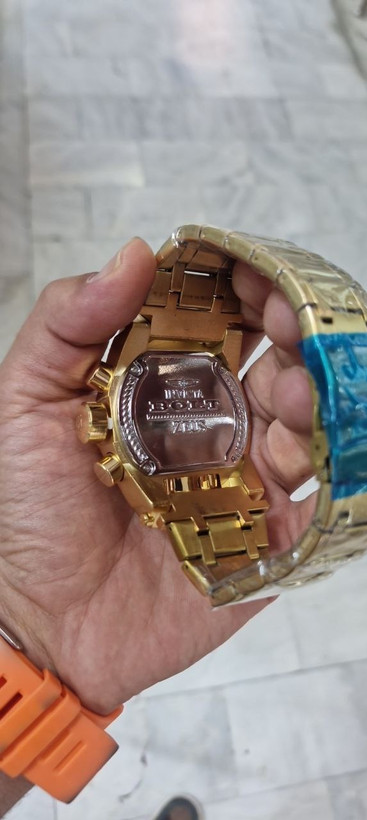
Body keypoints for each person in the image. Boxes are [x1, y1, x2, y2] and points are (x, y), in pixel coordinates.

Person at [0, 237, 315, 817]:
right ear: (103, 424)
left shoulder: (193, 368)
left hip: (214, 454)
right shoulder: (130, 406)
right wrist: (33, 626)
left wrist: (36, 632)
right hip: (188, 465)